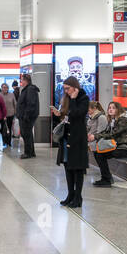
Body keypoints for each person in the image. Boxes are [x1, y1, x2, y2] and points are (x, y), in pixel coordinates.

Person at [54, 76, 89, 206]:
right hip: (66, 137)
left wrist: (74, 99)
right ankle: (70, 195)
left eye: (68, 89)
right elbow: (67, 116)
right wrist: (59, 115)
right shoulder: (66, 99)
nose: (66, 91)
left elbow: (77, 114)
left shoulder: (83, 99)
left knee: (77, 169)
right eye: (65, 89)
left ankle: (78, 197)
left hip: (77, 139)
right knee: (68, 167)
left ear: (75, 87)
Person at [92, 101, 127, 186]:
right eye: (109, 108)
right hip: (119, 146)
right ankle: (107, 178)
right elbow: (105, 132)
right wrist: (95, 135)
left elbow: (113, 134)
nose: (110, 110)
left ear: (118, 109)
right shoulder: (112, 121)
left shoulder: (123, 120)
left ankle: (106, 179)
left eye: (113, 108)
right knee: (97, 153)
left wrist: (95, 137)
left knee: (100, 154)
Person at [16, 73, 39, 158]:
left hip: (27, 116)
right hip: (25, 116)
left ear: (26, 81)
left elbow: (31, 103)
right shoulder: (27, 89)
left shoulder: (30, 89)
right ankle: (31, 152)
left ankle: (28, 153)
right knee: (27, 134)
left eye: (22, 80)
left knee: (26, 134)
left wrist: (26, 115)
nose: (21, 82)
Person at [0, 81, 17, 148]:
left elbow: (15, 104)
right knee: (3, 129)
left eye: (6, 87)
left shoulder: (11, 94)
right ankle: (4, 141)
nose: (5, 89)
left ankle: (9, 142)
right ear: (1, 88)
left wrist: (15, 113)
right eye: (3, 87)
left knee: (9, 128)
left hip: (10, 114)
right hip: (2, 115)